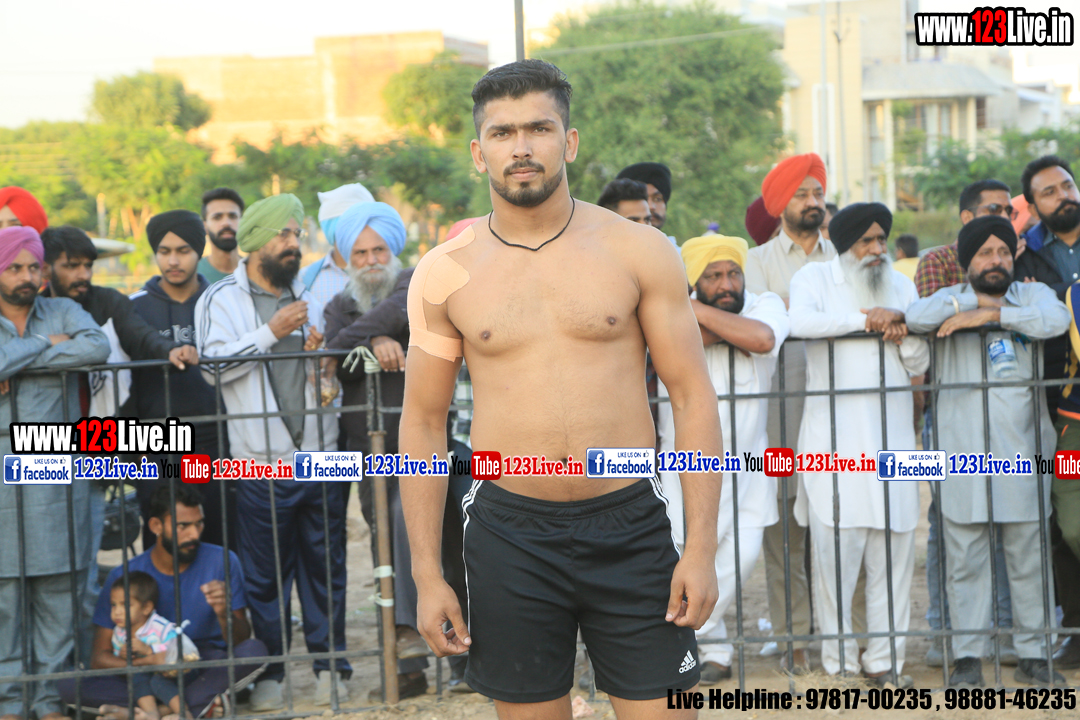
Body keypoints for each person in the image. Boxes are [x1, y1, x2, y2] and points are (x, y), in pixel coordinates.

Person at [400, 60, 721, 719]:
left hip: (629, 523)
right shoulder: (444, 273)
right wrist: (427, 575)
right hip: (509, 532)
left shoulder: (638, 250)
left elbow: (692, 396)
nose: (521, 147)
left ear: (569, 142)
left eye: (539, 128)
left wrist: (700, 547)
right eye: (502, 133)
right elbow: (424, 424)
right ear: (478, 153)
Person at [195, 193, 346, 710]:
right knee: (265, 581)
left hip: (322, 458)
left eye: (297, 234)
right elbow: (212, 368)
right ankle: (271, 675)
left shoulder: (310, 295)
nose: (292, 243)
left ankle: (332, 668)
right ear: (255, 241)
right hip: (260, 466)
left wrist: (321, 364)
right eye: (283, 234)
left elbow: (327, 385)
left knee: (327, 573)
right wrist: (269, 332)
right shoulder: (221, 299)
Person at [906, 215, 1068, 687]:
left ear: (1013, 255)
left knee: (1029, 556)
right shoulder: (947, 298)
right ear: (967, 261)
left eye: (1002, 252)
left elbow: (1057, 320)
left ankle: (1035, 654)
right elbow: (915, 318)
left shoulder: (1032, 296)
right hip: (963, 453)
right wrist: (973, 303)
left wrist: (993, 316)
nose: (995, 261)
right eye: (984, 254)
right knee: (965, 558)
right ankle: (968, 659)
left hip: (1022, 451)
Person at [789, 202, 929, 685]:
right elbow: (801, 324)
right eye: (866, 240)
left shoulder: (901, 286)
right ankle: (840, 664)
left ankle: (885, 662)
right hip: (833, 446)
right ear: (846, 244)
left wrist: (901, 331)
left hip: (893, 443)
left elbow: (919, 360)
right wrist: (866, 321)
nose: (877, 249)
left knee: (894, 559)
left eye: (881, 239)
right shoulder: (814, 279)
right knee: (835, 565)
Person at [658, 235, 788, 685]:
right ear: (695, 279)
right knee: (683, 554)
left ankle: (682, 639)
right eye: (713, 276)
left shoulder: (765, 303)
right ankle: (711, 651)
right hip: (685, 466)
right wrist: (728, 329)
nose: (727, 283)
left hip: (749, 467)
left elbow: (762, 337)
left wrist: (691, 310)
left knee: (741, 557)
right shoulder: (666, 309)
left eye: (733, 273)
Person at [322, 201, 434, 698]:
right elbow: (338, 357)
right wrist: (373, 343)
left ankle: (460, 658)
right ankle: (406, 669)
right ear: (347, 259)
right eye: (360, 253)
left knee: (427, 537)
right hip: (367, 449)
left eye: (379, 250)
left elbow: (391, 313)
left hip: (423, 444)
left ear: (393, 251)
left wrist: (356, 341)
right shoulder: (337, 304)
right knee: (384, 548)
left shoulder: (414, 283)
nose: (371, 261)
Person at [0, 226, 107, 720]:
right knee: (5, 594)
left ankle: (47, 701)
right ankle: (9, 701)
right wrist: (46, 347)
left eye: (33, 268)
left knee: (59, 588)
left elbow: (95, 347)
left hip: (56, 463)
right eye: (14, 268)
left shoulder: (63, 309)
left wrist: (16, 362)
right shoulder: (55, 326)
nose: (26, 277)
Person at [913, 178, 1019, 667]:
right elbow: (931, 319)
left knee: (1009, 524)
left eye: (1008, 210)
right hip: (950, 409)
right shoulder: (939, 259)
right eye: (994, 209)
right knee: (949, 525)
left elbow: (1035, 309)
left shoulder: (1015, 256)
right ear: (966, 217)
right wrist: (993, 308)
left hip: (1009, 412)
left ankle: (1006, 631)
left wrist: (988, 311)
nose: (1005, 217)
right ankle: (947, 633)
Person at [60, 484, 266, 718]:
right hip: (142, 673)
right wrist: (152, 662)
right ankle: (199, 704)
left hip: (200, 664)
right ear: (156, 526)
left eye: (199, 523)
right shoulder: (124, 575)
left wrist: (223, 613)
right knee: (69, 685)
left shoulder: (223, 561)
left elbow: (240, 641)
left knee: (254, 651)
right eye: (183, 526)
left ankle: (151, 712)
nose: (194, 534)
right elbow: (99, 658)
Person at [743, 152, 834, 673]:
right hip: (779, 414)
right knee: (783, 536)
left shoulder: (842, 254)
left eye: (817, 193)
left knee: (836, 526)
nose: (812, 201)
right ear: (780, 204)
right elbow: (765, 323)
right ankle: (794, 638)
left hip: (835, 413)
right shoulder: (755, 262)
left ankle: (842, 639)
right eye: (801, 194)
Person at [128, 211, 234, 550]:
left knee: (216, 536)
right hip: (155, 445)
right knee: (162, 539)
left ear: (199, 252)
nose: (173, 261)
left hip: (214, 442)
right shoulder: (133, 308)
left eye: (183, 251)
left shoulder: (222, 302)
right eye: (164, 251)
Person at [41, 225, 195, 418]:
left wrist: (170, 350)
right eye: (72, 266)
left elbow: (140, 336)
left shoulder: (109, 302)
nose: (84, 275)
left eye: (88, 266)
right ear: (45, 269)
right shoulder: (33, 312)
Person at [104, 572, 183, 720]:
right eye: (113, 605)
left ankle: (184, 713)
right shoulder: (119, 632)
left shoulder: (160, 627)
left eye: (125, 605)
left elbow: (175, 651)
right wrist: (121, 654)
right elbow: (118, 655)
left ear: (146, 608)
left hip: (170, 675)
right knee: (136, 677)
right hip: (145, 674)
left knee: (158, 681)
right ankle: (152, 714)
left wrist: (148, 650)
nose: (117, 612)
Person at [301, 183, 377, 308]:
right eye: (352, 228)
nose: (360, 235)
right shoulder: (306, 279)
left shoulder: (387, 273)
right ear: (333, 231)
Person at [197, 188, 244, 285]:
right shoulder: (193, 275)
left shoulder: (258, 272)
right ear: (204, 226)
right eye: (217, 217)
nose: (226, 223)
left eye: (233, 216)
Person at [616, 161, 675, 238]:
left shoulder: (673, 246)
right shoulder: (604, 244)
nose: (651, 206)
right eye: (643, 199)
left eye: (658, 199)